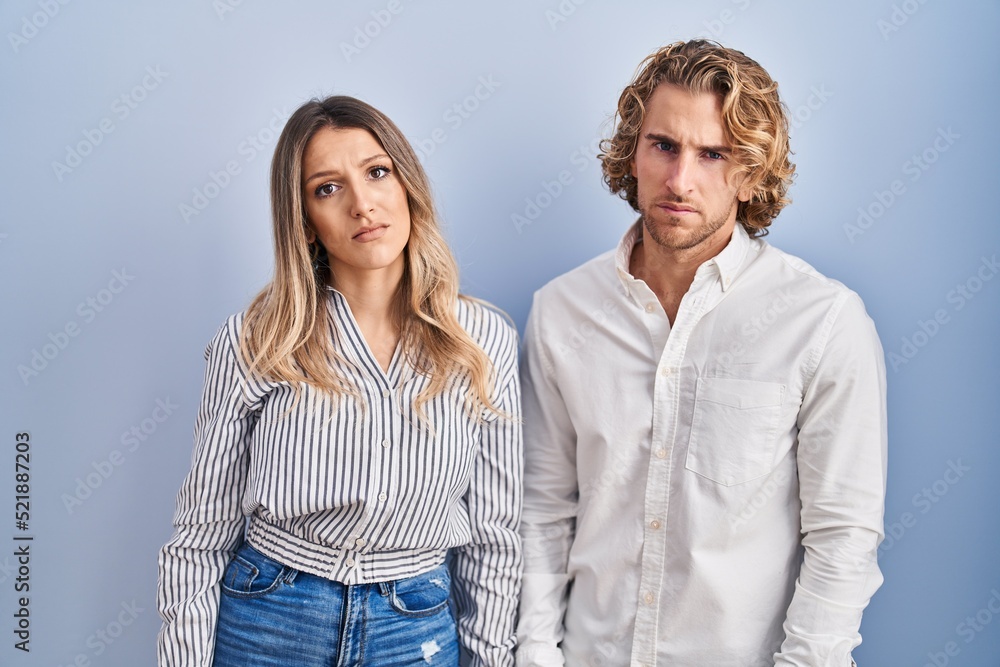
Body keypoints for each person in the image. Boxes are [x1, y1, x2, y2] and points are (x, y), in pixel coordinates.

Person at [516, 40, 887, 666]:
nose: (679, 179)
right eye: (663, 145)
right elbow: (541, 514)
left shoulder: (822, 321)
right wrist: (534, 655)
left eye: (712, 154)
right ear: (633, 152)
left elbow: (842, 538)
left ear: (751, 173)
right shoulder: (561, 311)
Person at [157, 96, 522, 667]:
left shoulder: (483, 340)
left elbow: (494, 539)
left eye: (377, 172)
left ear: (407, 187)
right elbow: (200, 535)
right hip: (271, 618)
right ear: (303, 223)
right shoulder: (257, 339)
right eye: (328, 188)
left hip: (415, 626)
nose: (362, 204)